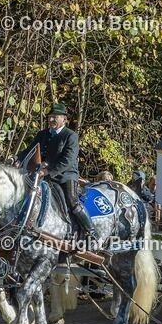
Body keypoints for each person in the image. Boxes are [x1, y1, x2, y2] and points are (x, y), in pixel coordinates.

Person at [15, 103, 96, 243]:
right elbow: (30, 150)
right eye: (50, 117)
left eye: (55, 117)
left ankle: (90, 231)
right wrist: (16, 158)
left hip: (65, 175)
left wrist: (48, 170)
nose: (51, 120)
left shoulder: (70, 136)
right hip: (41, 174)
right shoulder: (42, 134)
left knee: (72, 200)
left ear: (64, 119)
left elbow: (68, 160)